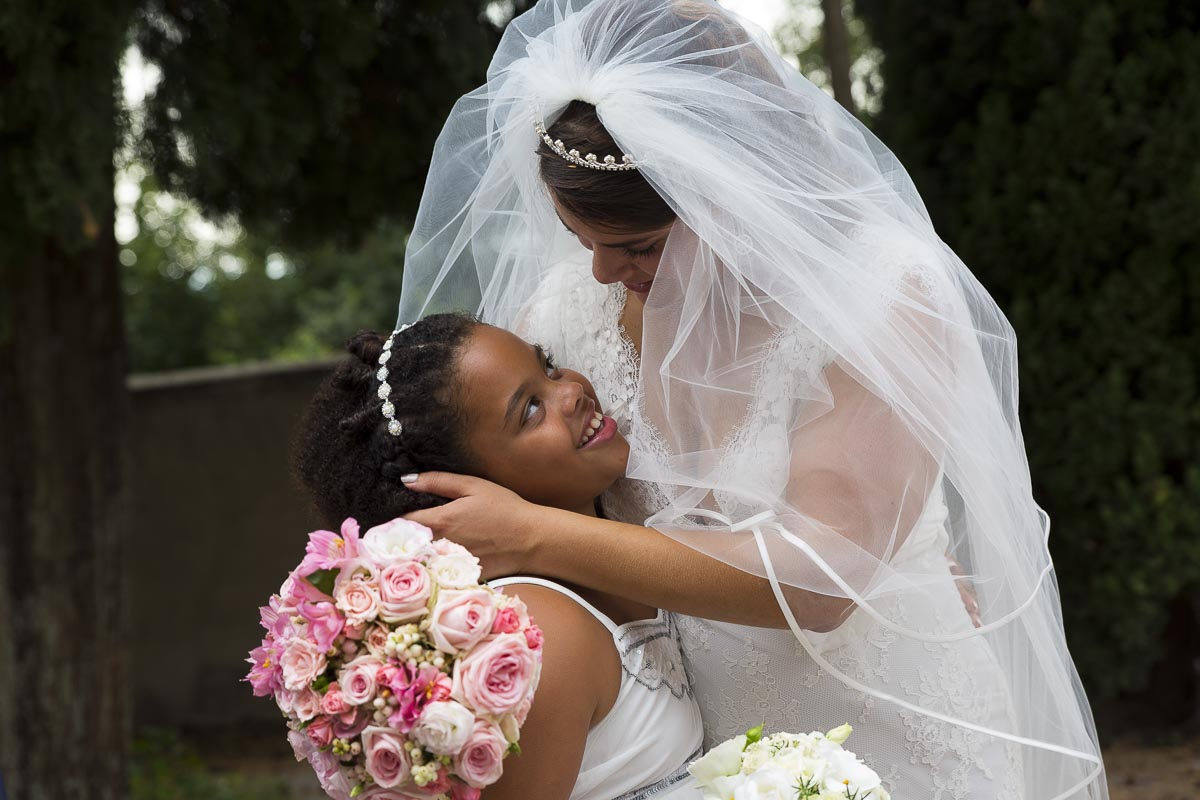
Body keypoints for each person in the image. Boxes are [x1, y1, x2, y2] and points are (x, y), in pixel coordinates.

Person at [393, 1, 1108, 798]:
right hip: (705, 755)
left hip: (899, 725)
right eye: (582, 240)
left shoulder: (879, 296)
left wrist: (532, 535)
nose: (599, 272)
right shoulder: (566, 318)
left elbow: (823, 580)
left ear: (729, 190)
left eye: (637, 247)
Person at [293, 314, 703, 800]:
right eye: (530, 411)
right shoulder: (541, 636)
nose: (570, 393)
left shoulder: (620, 530)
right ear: (463, 489)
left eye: (548, 369)